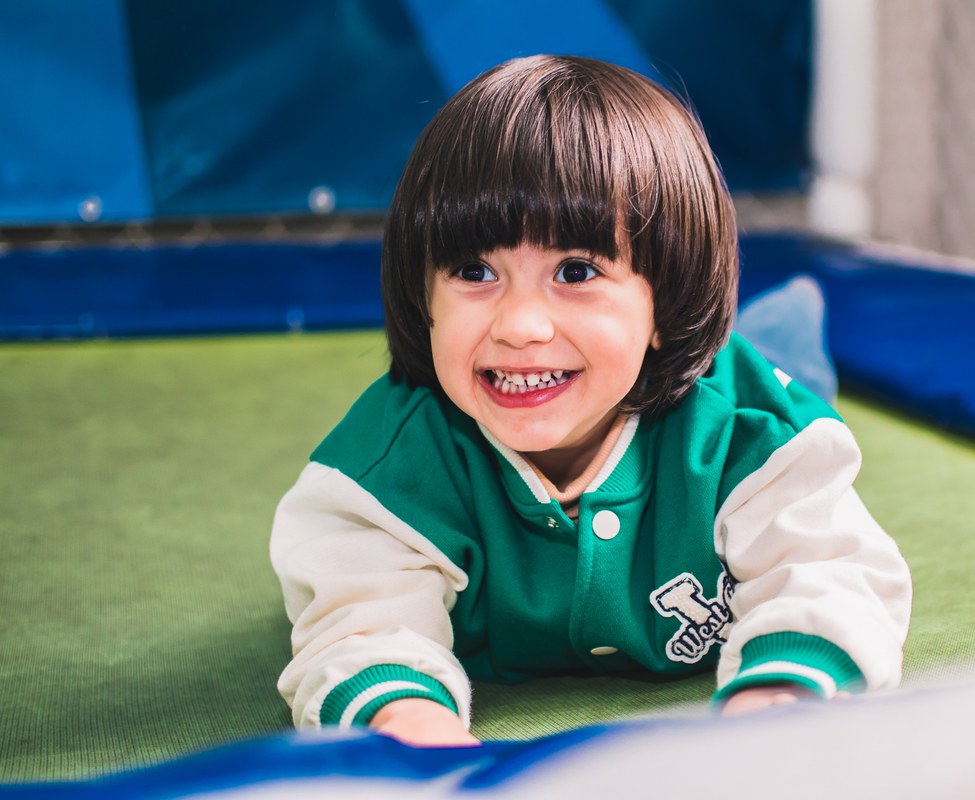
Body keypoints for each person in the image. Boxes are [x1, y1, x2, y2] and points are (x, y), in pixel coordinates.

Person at [270, 54, 912, 748]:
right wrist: (414, 729)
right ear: (422, 296)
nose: (519, 326)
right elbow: (360, 625)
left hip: (730, 369)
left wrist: (775, 699)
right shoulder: (390, 465)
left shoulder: (750, 434)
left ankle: (788, 313)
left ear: (665, 300)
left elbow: (827, 571)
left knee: (785, 357)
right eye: (473, 271)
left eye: (575, 272)